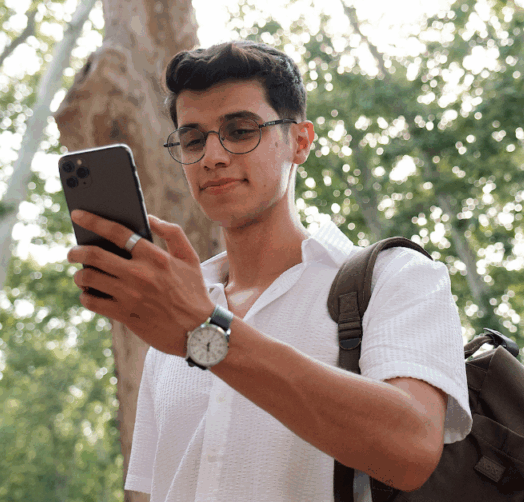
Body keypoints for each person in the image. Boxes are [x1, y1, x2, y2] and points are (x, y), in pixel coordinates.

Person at [66, 40, 472, 501]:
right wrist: (193, 320)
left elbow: (413, 448)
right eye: (193, 139)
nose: (213, 157)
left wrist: (208, 333)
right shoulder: (178, 310)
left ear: (299, 142)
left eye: (240, 130)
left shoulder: (395, 277)